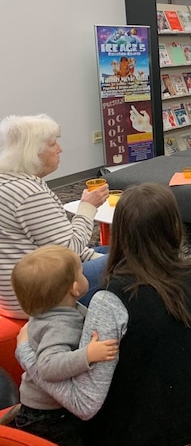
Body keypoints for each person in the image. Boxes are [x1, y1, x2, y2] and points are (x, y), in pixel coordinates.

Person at [15, 183, 191, 446]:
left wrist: (27, 355)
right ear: (174, 228)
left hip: (140, 441)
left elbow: (84, 404)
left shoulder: (109, 299)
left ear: (119, 233)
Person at [10, 245, 118, 446]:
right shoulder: (58, 325)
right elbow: (48, 366)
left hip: (48, 410)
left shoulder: (57, 310)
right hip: (47, 417)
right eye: (81, 271)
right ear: (75, 288)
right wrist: (87, 355)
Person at [0, 114, 109, 319]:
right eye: (53, 144)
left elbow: (52, 243)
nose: (60, 149)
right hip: (40, 294)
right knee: (140, 259)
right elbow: (68, 250)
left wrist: (98, 257)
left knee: (122, 251)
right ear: (32, 153)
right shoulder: (29, 193)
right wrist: (87, 206)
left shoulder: (10, 181)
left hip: (18, 288)